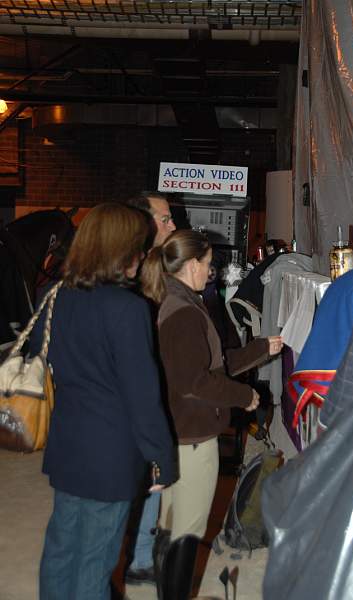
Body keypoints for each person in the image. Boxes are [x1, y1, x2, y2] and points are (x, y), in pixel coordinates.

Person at [31, 203, 176, 600]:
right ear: (120, 250)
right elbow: (143, 396)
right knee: (95, 562)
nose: (142, 255)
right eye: (138, 247)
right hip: (110, 454)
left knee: (60, 549)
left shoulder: (54, 295)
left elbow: (36, 353)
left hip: (67, 443)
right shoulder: (127, 309)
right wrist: (162, 457)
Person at [141, 229, 283, 542]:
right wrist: (244, 395)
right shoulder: (186, 312)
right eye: (207, 264)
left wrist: (260, 350)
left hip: (180, 431)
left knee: (171, 524)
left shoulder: (176, 301)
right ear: (191, 265)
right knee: (187, 532)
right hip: (193, 435)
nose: (210, 272)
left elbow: (209, 365)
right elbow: (195, 380)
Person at [124, 191, 176, 587]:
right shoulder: (126, 274)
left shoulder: (156, 264)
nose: (172, 225)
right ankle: (137, 556)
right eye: (165, 218)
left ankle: (142, 553)